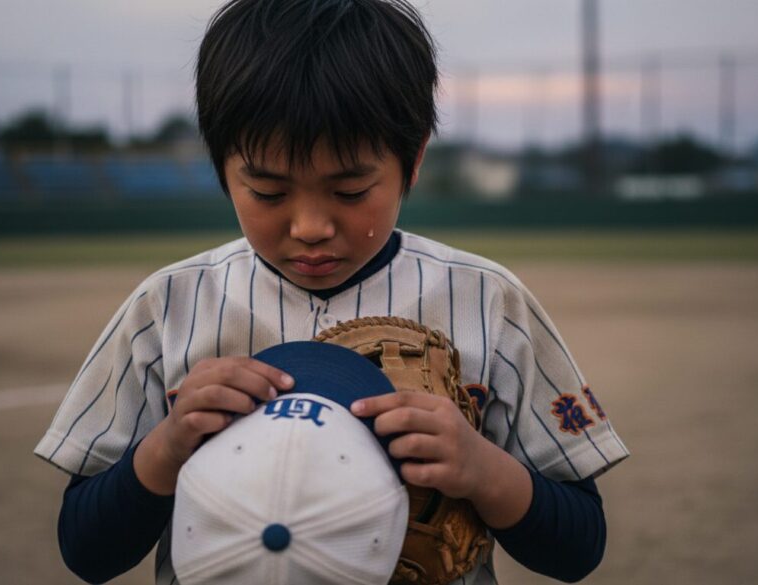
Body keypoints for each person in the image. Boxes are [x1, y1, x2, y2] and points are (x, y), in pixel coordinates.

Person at [34, 1, 629, 583]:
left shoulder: (488, 300)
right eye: (269, 193)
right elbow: (86, 553)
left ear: (413, 159)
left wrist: (484, 470)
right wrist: (167, 447)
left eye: (350, 191)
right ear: (222, 168)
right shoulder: (167, 306)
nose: (311, 226)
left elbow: (578, 549)